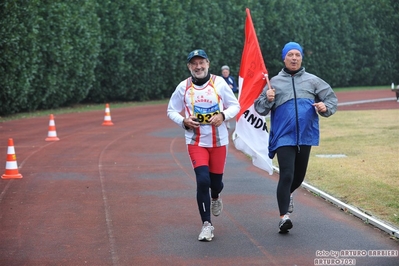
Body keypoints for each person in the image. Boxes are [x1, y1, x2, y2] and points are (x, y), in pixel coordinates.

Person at [254, 42, 338, 233]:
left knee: (298, 177)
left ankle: (287, 195)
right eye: (290, 54)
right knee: (287, 174)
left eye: (297, 55)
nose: (294, 58)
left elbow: (331, 99)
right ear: (284, 58)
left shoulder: (313, 81)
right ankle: (284, 217)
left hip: (306, 135)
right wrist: (267, 98)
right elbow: (260, 108)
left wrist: (325, 108)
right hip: (283, 136)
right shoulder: (273, 82)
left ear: (301, 58)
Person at [167, 49, 240, 241]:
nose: (198, 67)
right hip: (196, 141)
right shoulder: (183, 87)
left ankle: (215, 196)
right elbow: (171, 110)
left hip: (218, 141)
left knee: (216, 183)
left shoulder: (219, 83)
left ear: (208, 63)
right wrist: (184, 121)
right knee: (202, 181)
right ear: (189, 67)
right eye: (194, 64)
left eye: (201, 63)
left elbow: (235, 105)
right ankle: (207, 225)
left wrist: (223, 115)